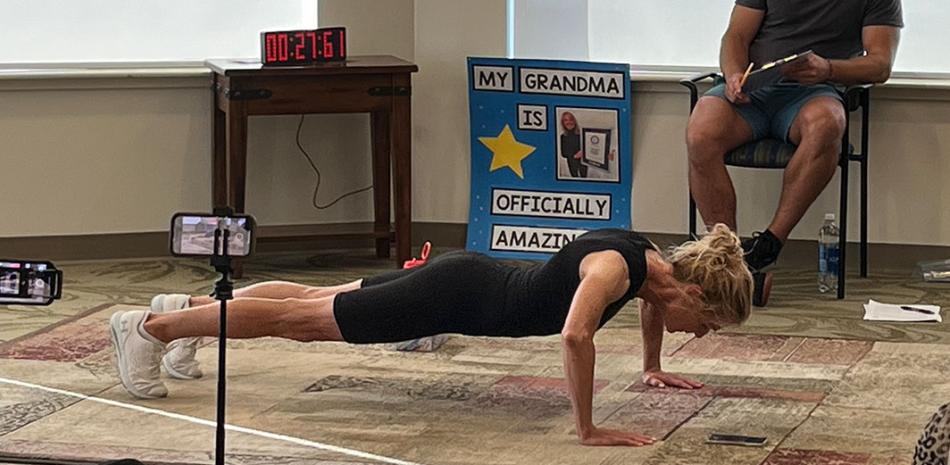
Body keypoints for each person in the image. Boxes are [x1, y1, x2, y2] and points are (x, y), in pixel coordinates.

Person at [110, 225, 752, 447]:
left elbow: (649, 306)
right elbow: (576, 338)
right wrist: (588, 428)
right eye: (708, 324)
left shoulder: (650, 264)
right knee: (299, 324)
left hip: (465, 277)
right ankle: (150, 328)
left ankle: (186, 307)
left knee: (313, 297)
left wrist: (651, 365)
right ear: (694, 292)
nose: (699, 333)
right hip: (455, 294)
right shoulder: (617, 268)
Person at [686, 0, 902, 304]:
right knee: (700, 130)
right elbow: (735, 36)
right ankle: (727, 255)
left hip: (815, 92)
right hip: (754, 90)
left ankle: (767, 246)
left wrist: (828, 68)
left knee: (829, 123)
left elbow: (880, 65)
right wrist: (734, 75)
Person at [559, 111, 588, 178]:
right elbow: (563, 154)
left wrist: (583, 151)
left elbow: (589, 148)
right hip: (572, 164)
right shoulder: (563, 137)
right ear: (563, 123)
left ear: (574, 121)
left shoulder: (582, 134)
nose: (569, 122)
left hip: (583, 163)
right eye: (565, 120)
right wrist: (574, 156)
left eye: (571, 119)